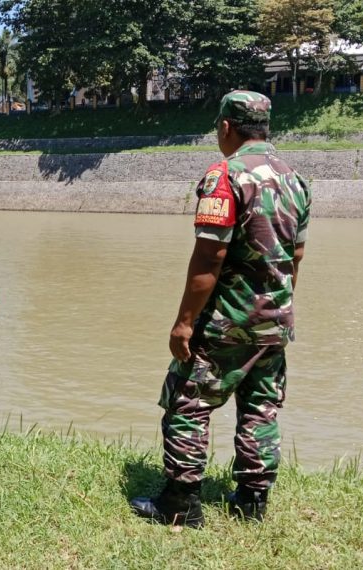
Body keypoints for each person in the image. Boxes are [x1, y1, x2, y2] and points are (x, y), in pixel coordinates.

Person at [129, 91, 310, 528]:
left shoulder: (225, 176)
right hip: (274, 322)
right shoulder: (294, 179)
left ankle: (180, 505)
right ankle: (252, 502)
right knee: (260, 409)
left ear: (227, 126)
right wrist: (277, 308)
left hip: (226, 322)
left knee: (187, 404)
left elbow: (210, 258)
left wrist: (184, 323)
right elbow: (296, 258)